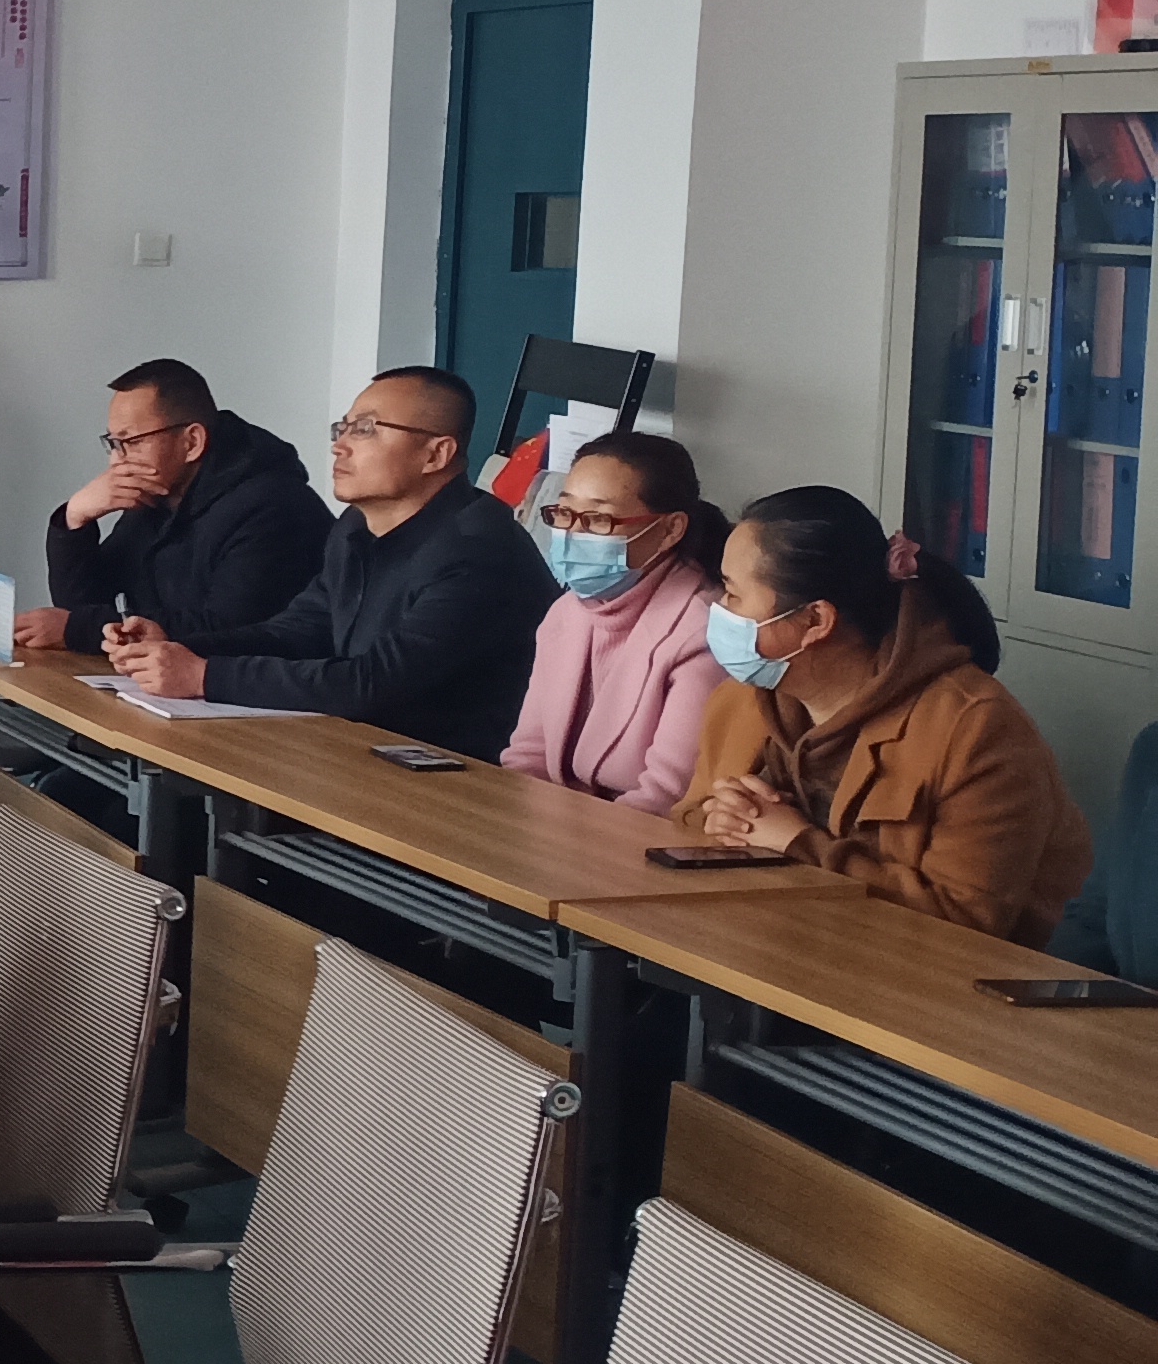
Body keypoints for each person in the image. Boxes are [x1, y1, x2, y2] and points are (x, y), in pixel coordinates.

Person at [675, 487, 1092, 941]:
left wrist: (798, 843)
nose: (717, 608)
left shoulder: (977, 727)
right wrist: (720, 820)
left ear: (815, 621)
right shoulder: (742, 699)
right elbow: (684, 820)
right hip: (780, 944)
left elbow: (967, 923)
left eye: (733, 594)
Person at [104, 366, 558, 758]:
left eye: (365, 429)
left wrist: (202, 675)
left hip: (461, 779)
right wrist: (177, 645)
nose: (340, 446)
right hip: (364, 751)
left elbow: (373, 684)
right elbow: (299, 631)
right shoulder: (355, 527)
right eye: (342, 429)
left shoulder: (479, 550)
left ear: (435, 454)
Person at [18, 357, 328, 654]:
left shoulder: (273, 508)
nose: (116, 461)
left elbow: (229, 631)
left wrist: (78, 629)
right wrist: (75, 518)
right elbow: (84, 606)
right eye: (113, 443)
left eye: (131, 442)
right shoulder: (159, 495)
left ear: (192, 442)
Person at [502, 432, 730, 813]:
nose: (571, 534)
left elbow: (665, 796)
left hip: (635, 834)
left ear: (671, 529)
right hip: (556, 823)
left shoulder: (703, 631)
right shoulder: (566, 612)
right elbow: (527, 756)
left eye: (598, 520)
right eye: (563, 513)